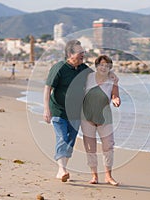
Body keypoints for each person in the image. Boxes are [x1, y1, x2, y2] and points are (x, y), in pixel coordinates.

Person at [43, 40, 92, 182]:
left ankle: (63, 167)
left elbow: (96, 82)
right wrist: (46, 109)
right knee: (62, 137)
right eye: (80, 52)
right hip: (58, 110)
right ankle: (61, 170)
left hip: (76, 112)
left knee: (70, 140)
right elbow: (48, 88)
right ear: (70, 54)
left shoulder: (84, 69)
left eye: (83, 52)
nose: (83, 54)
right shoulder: (59, 68)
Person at [81, 55, 121, 186]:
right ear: (97, 66)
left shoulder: (112, 79)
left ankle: (108, 176)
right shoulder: (88, 77)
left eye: (107, 65)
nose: (104, 67)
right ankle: (94, 176)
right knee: (90, 147)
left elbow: (115, 94)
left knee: (108, 145)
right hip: (87, 116)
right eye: (102, 65)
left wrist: (115, 99)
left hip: (105, 117)